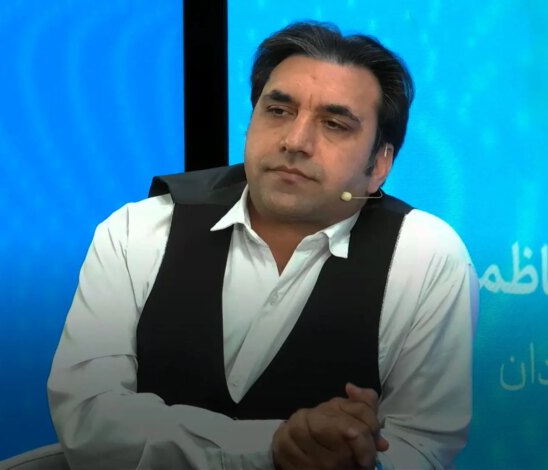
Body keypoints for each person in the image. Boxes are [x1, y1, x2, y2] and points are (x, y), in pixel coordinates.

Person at [48, 21, 478, 469]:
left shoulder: (423, 257)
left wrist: (356, 456)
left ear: (380, 164)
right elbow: (88, 417)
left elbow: (419, 447)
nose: (295, 141)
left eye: (334, 124)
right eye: (278, 111)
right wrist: (272, 448)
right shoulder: (138, 231)